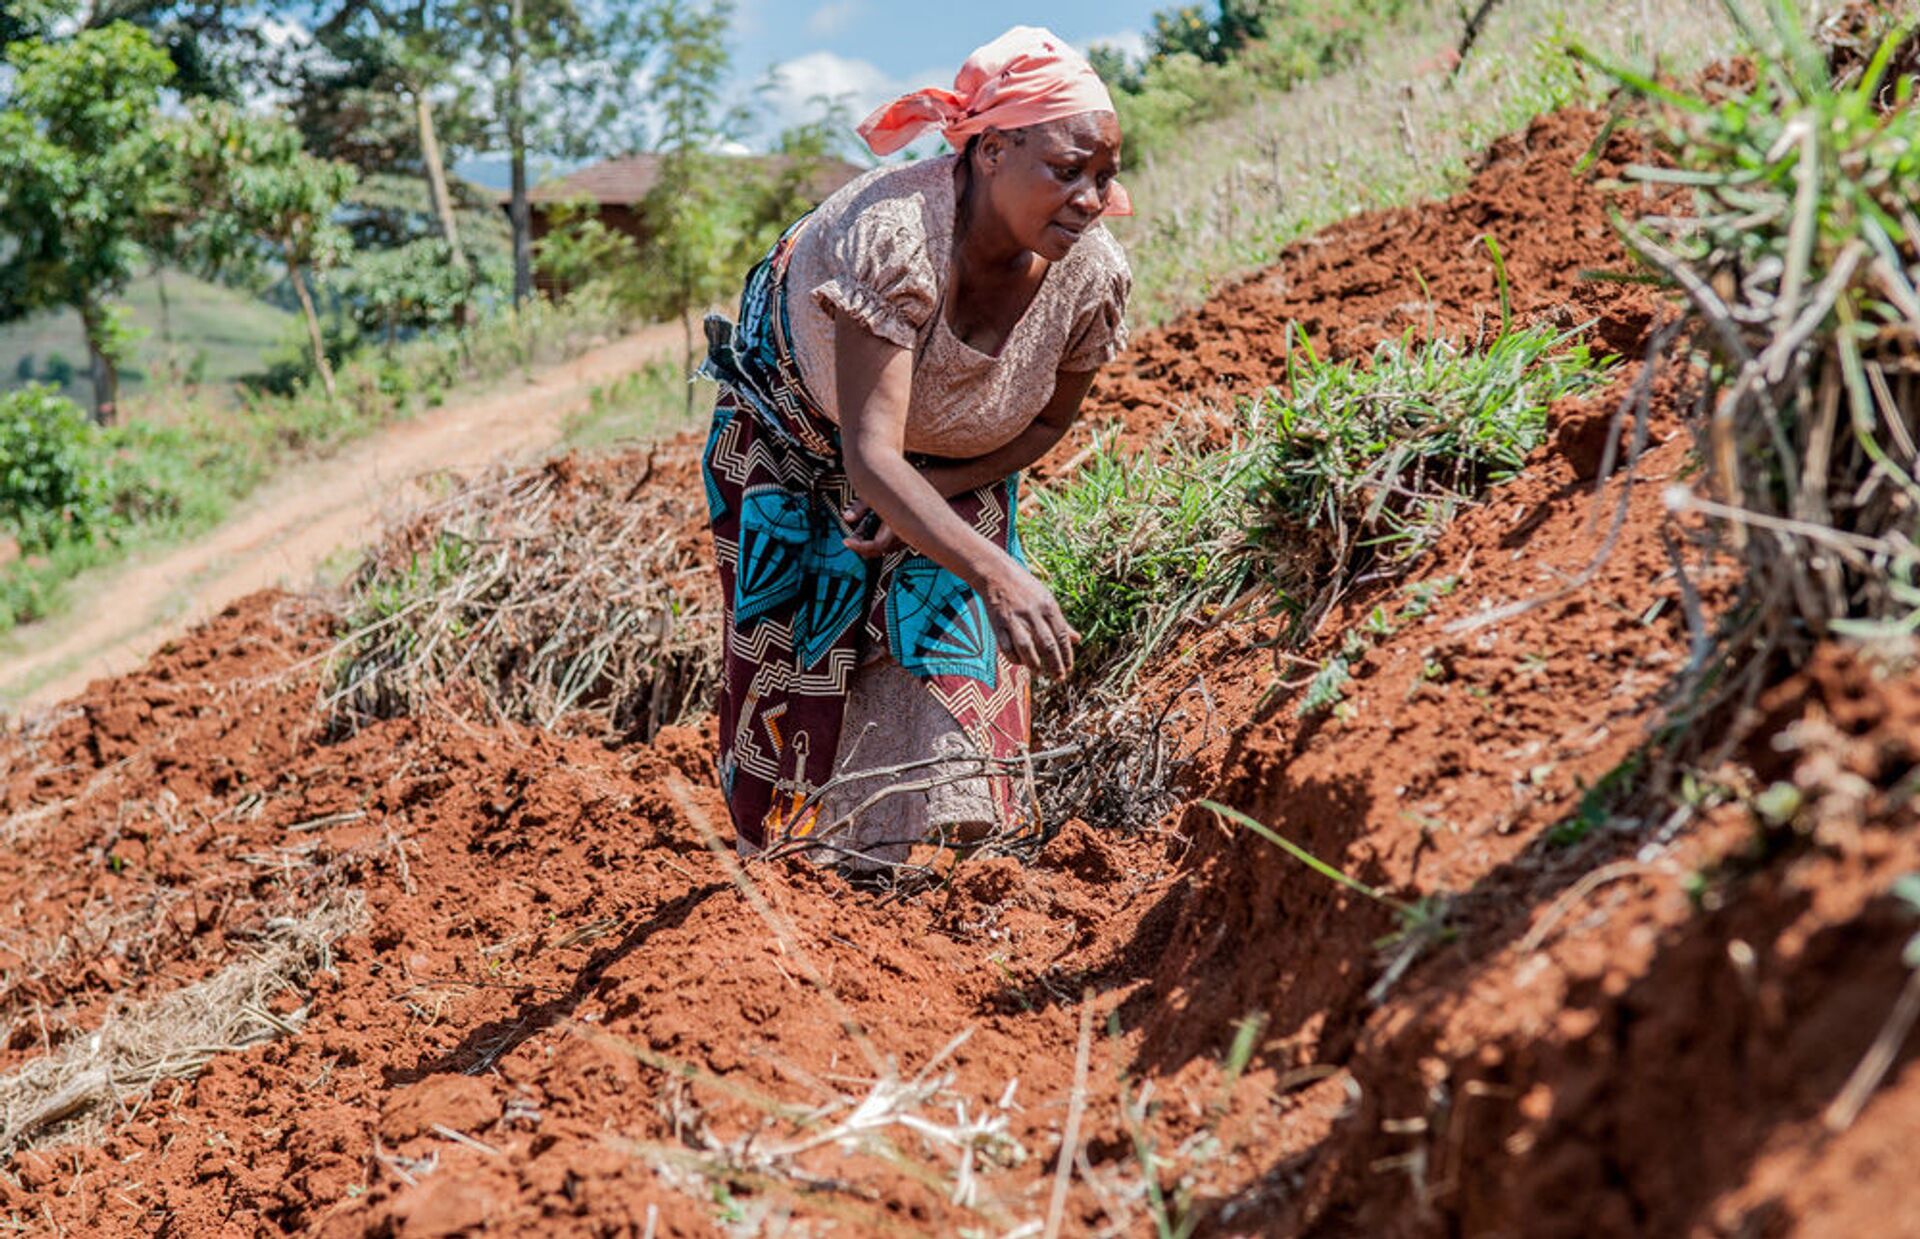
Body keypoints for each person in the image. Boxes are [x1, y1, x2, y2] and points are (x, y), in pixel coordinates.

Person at [699, 25, 1132, 871]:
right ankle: (797, 877)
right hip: (793, 444)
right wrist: (999, 569)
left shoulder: (1092, 276)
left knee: (943, 634)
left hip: (945, 459)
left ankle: (917, 868)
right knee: (799, 653)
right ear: (992, 152)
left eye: (1105, 176)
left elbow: (1045, 425)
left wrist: (936, 494)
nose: (1089, 197)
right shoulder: (898, 235)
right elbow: (869, 456)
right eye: (1067, 170)